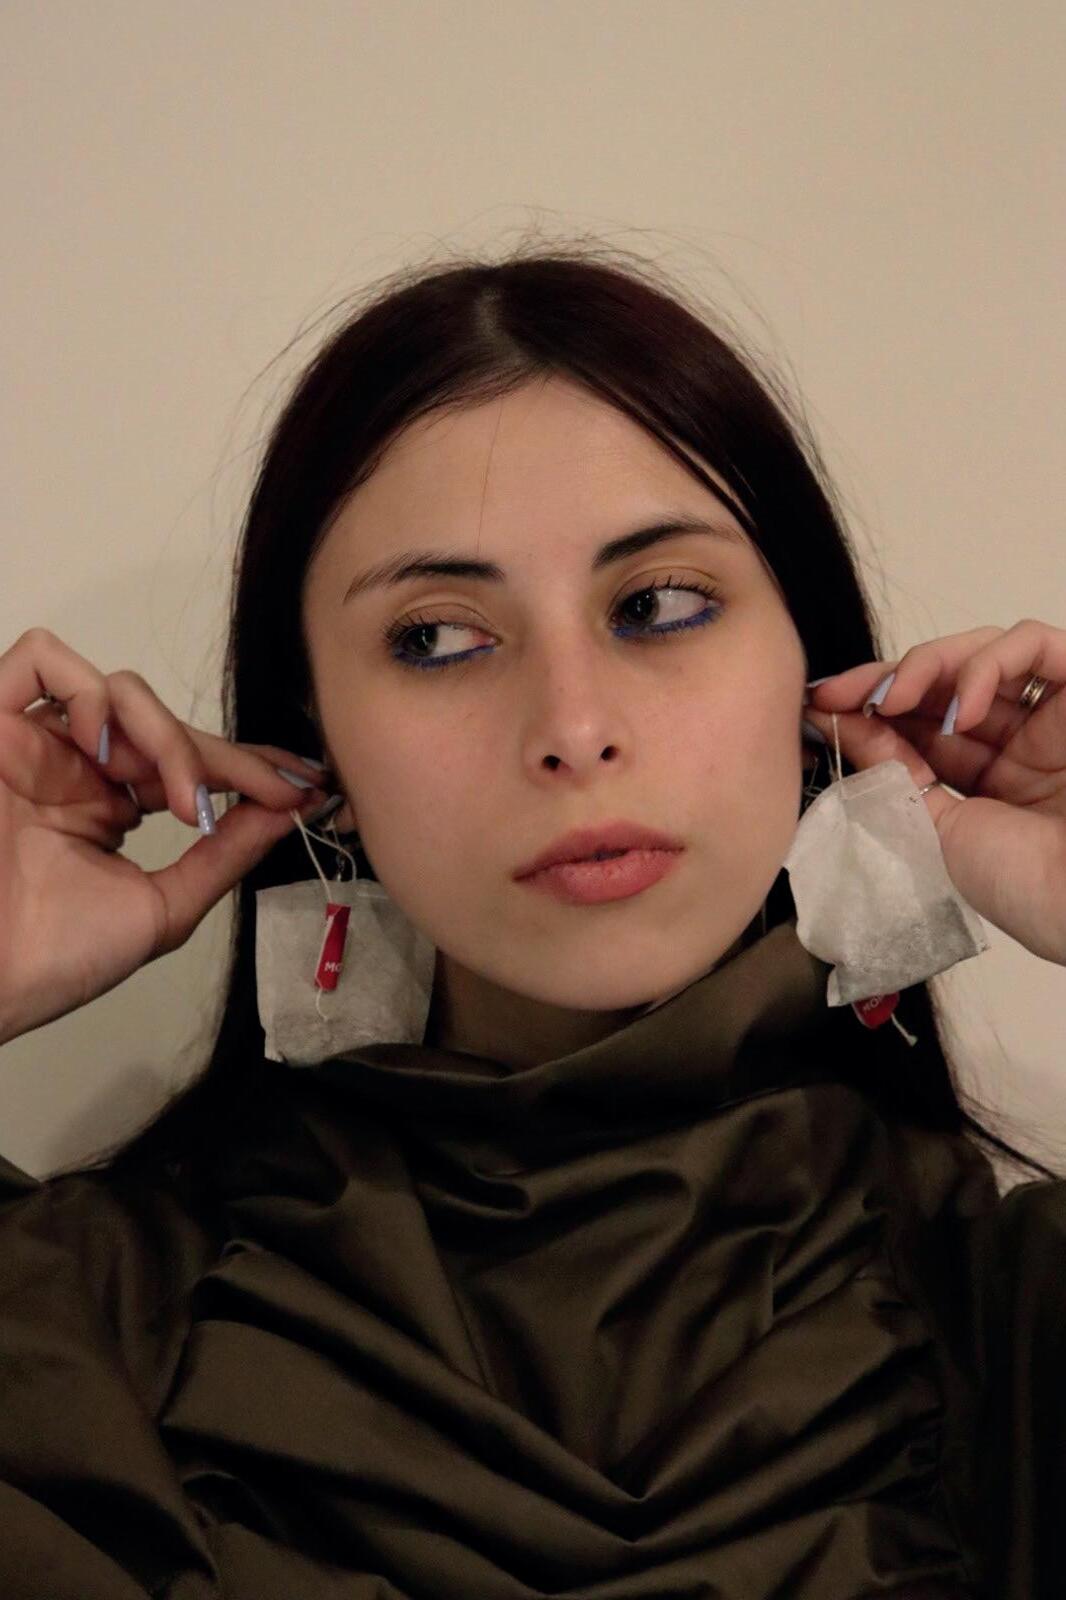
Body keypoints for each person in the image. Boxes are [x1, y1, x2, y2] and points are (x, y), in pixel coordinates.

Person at [0, 245, 1063, 1600]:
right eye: (437, 638)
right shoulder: (69, 1339)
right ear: (316, 741)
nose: (573, 727)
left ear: (812, 675)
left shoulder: (1014, 1336)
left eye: (658, 607)